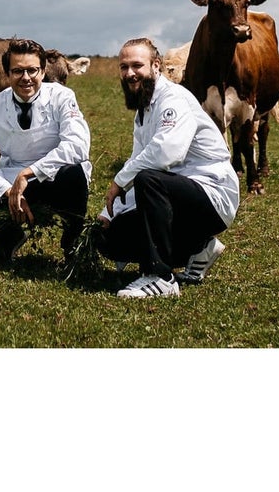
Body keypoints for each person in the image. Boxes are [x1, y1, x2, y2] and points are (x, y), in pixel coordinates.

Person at [97, 36, 239, 299]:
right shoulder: (143, 109)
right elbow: (137, 159)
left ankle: (161, 277)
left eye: (137, 65)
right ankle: (200, 247)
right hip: (178, 196)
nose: (130, 73)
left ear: (156, 66)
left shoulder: (173, 99)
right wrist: (109, 213)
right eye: (124, 67)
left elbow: (165, 154)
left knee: (149, 179)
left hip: (212, 194)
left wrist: (118, 181)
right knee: (108, 238)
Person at [0, 38, 91, 265]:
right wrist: (7, 192)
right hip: (10, 179)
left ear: (43, 71)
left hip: (52, 178)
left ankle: (72, 244)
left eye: (32, 70)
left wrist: (29, 173)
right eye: (17, 71)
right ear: (7, 73)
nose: (26, 78)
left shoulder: (62, 96)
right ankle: (9, 239)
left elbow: (77, 145)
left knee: (74, 174)